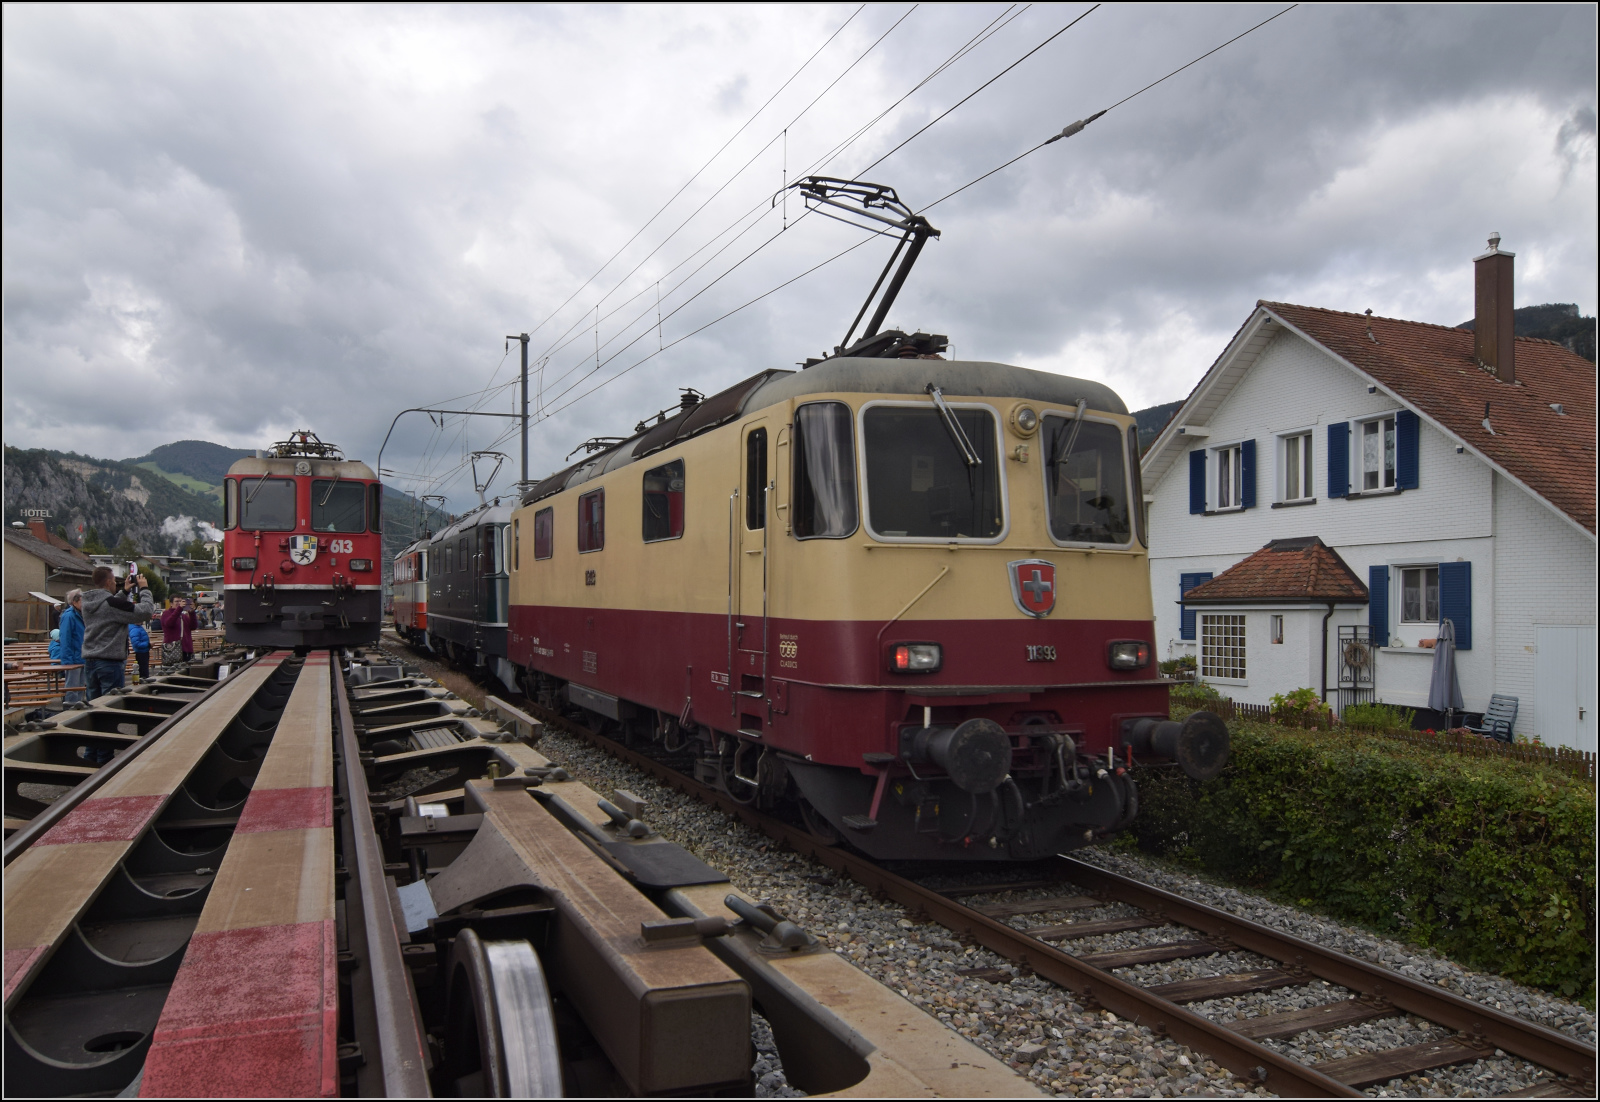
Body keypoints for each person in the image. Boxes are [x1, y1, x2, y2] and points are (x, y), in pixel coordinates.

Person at [80, 567, 154, 699]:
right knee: (110, 704)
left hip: (90, 661)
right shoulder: (112, 604)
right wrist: (144, 589)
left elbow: (109, 607)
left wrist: (124, 592)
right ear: (108, 582)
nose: (115, 583)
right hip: (109, 662)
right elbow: (146, 611)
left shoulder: (87, 603)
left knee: (94, 706)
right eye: (114, 580)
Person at [57, 589, 87, 705]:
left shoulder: (80, 615)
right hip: (73, 659)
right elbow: (65, 639)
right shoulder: (69, 616)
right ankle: (69, 710)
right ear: (74, 602)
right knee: (72, 688)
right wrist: (68, 661)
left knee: (80, 688)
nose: (84, 603)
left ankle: (78, 711)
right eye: (82, 601)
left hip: (82, 657)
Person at [160, 597, 198, 665]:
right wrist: (179, 609)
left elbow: (193, 627)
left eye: (181, 601)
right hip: (173, 649)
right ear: (171, 604)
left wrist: (192, 613)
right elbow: (169, 623)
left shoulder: (183, 616)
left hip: (185, 649)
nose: (179, 603)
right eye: (177, 601)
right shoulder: (166, 614)